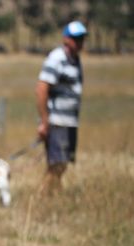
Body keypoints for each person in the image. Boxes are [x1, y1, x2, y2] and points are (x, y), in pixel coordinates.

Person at [36, 21, 87, 195]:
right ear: (66, 39)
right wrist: (44, 121)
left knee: (62, 164)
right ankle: (43, 197)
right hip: (56, 121)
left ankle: (54, 196)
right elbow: (42, 88)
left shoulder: (75, 60)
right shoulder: (57, 58)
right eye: (75, 38)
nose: (79, 42)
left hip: (69, 121)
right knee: (56, 164)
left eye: (81, 38)